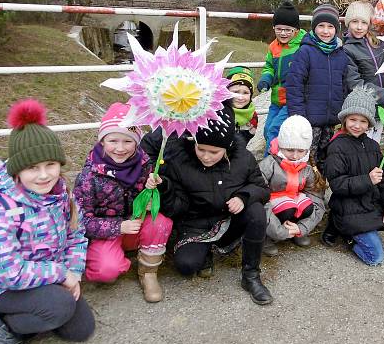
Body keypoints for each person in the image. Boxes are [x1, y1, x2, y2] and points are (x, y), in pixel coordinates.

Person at [0, 99, 94, 344]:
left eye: (50, 164)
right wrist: (62, 275)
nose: (43, 176)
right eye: (32, 168)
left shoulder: (62, 196)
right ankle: (3, 328)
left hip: (47, 277)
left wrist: (73, 272)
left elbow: (77, 235)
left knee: (81, 329)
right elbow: (8, 272)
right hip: (4, 287)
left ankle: (46, 309)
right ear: (17, 170)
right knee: (60, 307)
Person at [140, 103, 273, 305]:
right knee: (186, 265)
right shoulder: (180, 159)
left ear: (227, 147)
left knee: (255, 211)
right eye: (201, 149)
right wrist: (165, 187)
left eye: (214, 152)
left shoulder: (243, 159)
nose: (206, 156)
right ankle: (206, 251)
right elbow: (177, 207)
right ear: (194, 140)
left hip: (228, 219)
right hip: (195, 224)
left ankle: (251, 275)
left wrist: (243, 197)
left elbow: (262, 189)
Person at [74, 102, 172, 303]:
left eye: (128, 141)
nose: (120, 148)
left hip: (135, 224)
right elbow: (81, 221)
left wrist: (155, 188)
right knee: (105, 271)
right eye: (113, 140)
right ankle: (117, 257)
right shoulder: (89, 176)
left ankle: (148, 272)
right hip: (109, 231)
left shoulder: (144, 164)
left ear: (137, 142)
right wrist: (119, 227)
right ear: (102, 141)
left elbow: (151, 195)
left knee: (160, 222)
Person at [323, 87, 384, 266]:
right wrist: (367, 180)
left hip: (373, 202)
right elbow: (338, 184)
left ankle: (369, 228)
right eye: (353, 119)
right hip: (349, 207)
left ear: (370, 124)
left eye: (363, 121)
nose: (357, 125)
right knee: (375, 258)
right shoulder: (336, 147)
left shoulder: (372, 145)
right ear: (344, 119)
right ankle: (348, 234)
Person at [284, 3, 362, 172]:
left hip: (331, 119)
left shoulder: (340, 54)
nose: (325, 31)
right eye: (321, 26)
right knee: (306, 158)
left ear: (336, 29)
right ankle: (301, 191)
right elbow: (294, 85)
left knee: (326, 158)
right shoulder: (305, 52)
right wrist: (298, 117)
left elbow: (344, 86)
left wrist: (343, 113)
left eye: (330, 27)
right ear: (314, 28)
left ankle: (319, 189)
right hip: (309, 120)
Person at [259, 115, 325, 256]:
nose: (295, 156)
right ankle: (267, 236)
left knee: (307, 206)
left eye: (300, 151)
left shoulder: (307, 167)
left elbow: (316, 198)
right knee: (287, 208)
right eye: (290, 150)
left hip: (292, 199)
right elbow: (259, 200)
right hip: (273, 201)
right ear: (282, 145)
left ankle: (295, 230)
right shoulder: (269, 164)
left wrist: (303, 227)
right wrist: (278, 231)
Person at [342, 0, 384, 142]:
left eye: (364, 23)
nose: (359, 27)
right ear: (348, 23)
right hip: (364, 109)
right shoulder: (347, 50)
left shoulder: (378, 42)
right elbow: (354, 83)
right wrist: (380, 94)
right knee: (363, 144)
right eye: (354, 22)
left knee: (375, 144)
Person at [258, 0, 306, 154]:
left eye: (288, 30)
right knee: (267, 130)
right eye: (279, 29)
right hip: (276, 100)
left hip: (292, 100)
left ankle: (269, 163)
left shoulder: (303, 46)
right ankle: (278, 156)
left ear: (296, 30)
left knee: (274, 129)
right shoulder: (273, 47)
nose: (283, 33)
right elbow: (269, 66)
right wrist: (266, 79)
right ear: (273, 28)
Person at [226, 66, 259, 147]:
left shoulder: (252, 116)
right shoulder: (219, 112)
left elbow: (246, 140)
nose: (240, 97)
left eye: (245, 93)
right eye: (236, 92)